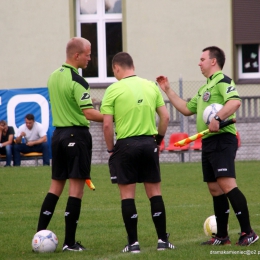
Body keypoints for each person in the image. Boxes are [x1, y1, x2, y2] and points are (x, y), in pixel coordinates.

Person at [156, 46, 259, 246]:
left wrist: (218, 118)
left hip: (223, 139)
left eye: (202, 59)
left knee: (228, 185)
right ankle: (222, 237)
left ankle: (248, 232)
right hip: (209, 141)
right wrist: (168, 90)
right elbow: (186, 109)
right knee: (215, 188)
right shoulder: (205, 88)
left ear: (213, 61)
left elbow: (235, 102)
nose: (199, 62)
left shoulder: (223, 80)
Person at [101, 52, 175, 253]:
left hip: (125, 145)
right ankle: (162, 241)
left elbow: (107, 124)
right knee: (155, 193)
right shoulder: (151, 86)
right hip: (148, 143)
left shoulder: (113, 89)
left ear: (116, 67)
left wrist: (110, 149)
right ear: (132, 65)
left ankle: (133, 244)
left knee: (127, 196)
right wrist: (157, 141)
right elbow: (165, 117)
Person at [36, 37, 103, 252]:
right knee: (76, 190)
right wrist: (112, 116)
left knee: (55, 187)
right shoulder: (78, 81)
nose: (90, 58)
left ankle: (38, 237)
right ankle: (69, 243)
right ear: (77, 55)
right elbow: (88, 112)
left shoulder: (53, 77)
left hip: (58, 136)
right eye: (88, 54)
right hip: (77, 136)